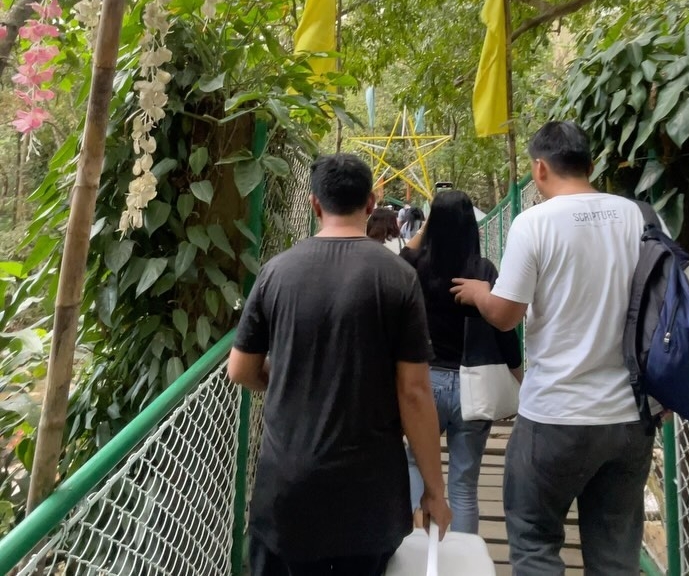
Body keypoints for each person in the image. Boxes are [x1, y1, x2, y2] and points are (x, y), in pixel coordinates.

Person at [228, 153, 451, 576]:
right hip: (368, 499)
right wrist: (434, 491)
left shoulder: (276, 273)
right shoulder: (397, 277)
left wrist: (291, 375)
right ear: (370, 203)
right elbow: (414, 392)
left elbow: (239, 370)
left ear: (314, 205)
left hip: (286, 494)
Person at [451, 121, 655, 575]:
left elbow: (506, 314)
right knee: (616, 553)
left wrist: (482, 292)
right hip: (630, 414)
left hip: (556, 416)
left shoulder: (535, 223)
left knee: (535, 541)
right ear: (592, 163)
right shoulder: (638, 216)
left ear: (539, 169)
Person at [400, 189, 522, 534]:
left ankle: (413, 551)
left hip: (425, 384)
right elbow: (504, 332)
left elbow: (402, 255)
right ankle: (465, 559)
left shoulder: (415, 267)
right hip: (475, 387)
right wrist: (519, 377)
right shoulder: (483, 271)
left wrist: (430, 223)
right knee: (464, 483)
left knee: (414, 465)